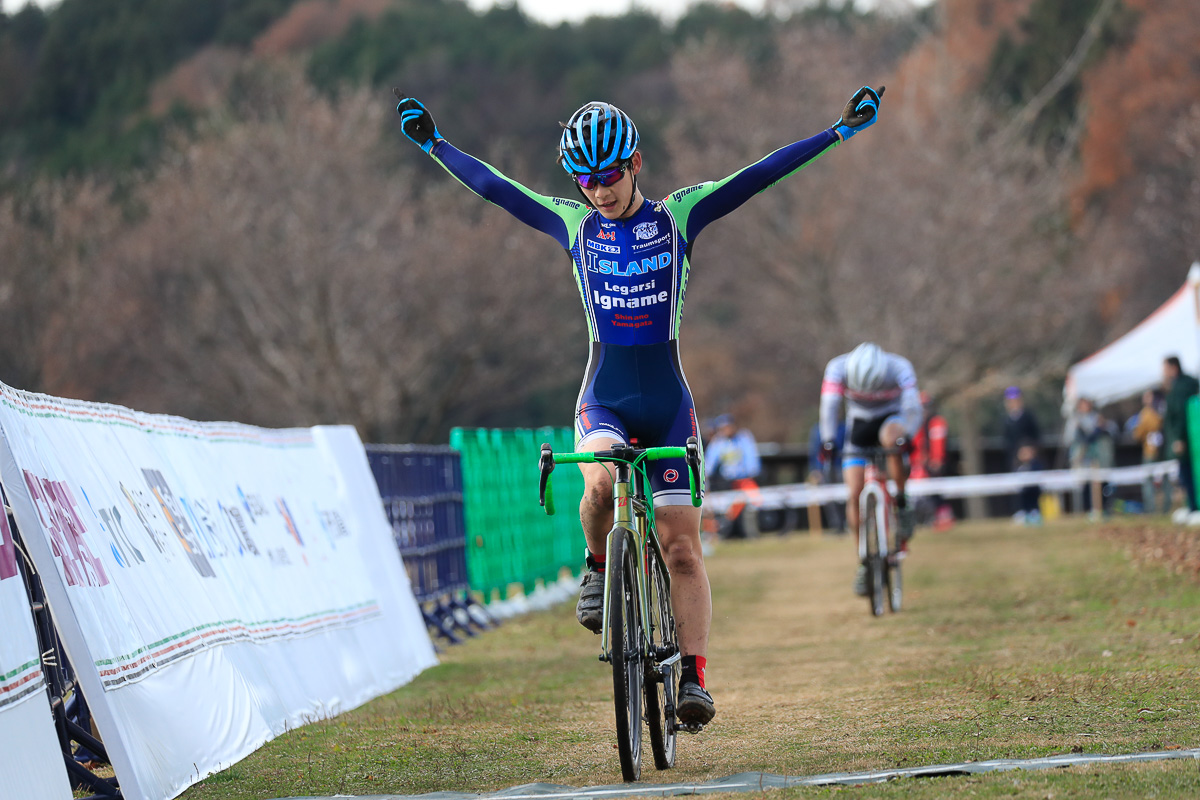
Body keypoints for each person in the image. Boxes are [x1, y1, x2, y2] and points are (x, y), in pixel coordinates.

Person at [393, 84, 886, 728]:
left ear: (636, 165)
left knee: (682, 550)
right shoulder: (574, 225)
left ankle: (694, 676)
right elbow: (497, 189)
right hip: (605, 396)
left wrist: (838, 131)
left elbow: (758, 175)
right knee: (598, 483)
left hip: (667, 402)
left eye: (611, 176)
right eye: (586, 179)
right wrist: (433, 144)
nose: (599, 190)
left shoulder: (678, 217)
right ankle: (599, 568)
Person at [818, 342, 922, 596]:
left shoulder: (900, 367)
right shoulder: (837, 368)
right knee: (854, 493)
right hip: (859, 426)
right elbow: (829, 407)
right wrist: (828, 440)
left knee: (892, 439)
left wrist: (907, 435)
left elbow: (913, 408)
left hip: (891, 419)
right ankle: (863, 561)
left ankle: (901, 499)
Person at [704, 414, 762, 537]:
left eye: (728, 427)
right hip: (726, 483)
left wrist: (751, 473)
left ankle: (752, 533)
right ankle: (722, 533)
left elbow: (752, 461)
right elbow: (709, 464)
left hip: (744, 481)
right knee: (727, 512)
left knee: (754, 504)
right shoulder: (718, 442)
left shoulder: (744, 438)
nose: (726, 430)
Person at [1163, 356, 1199, 515]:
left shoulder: (1182, 387)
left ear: (1173, 367)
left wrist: (1179, 438)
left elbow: (1180, 415)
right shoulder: (1178, 385)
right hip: (1188, 437)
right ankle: (1192, 505)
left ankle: (1194, 506)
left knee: (1189, 472)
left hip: (1188, 439)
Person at [910, 391, 952, 530]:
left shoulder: (937, 422)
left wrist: (936, 460)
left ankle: (943, 518)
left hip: (936, 466)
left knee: (938, 494)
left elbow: (938, 445)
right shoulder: (917, 425)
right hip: (922, 466)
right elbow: (915, 446)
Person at [1131, 389, 1167, 514]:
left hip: (1151, 451)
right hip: (1162, 450)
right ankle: (1164, 508)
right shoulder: (1162, 410)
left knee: (1149, 480)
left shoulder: (1147, 413)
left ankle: (1151, 508)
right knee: (1164, 478)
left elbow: (1138, 433)